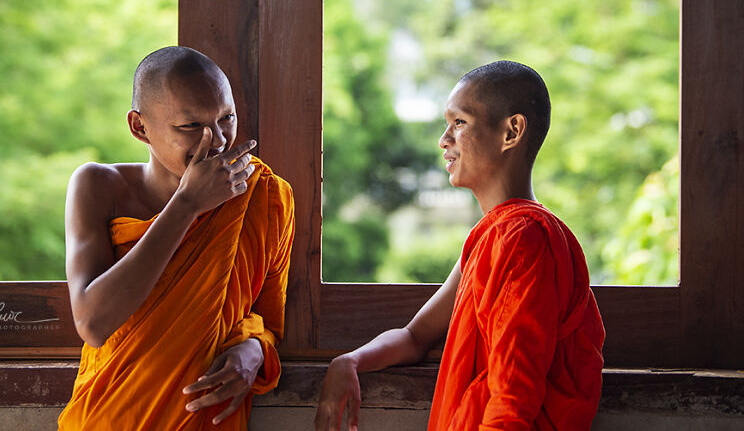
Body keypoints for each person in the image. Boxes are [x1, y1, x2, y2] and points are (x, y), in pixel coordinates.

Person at [315, 61, 604, 431]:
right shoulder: (490, 237)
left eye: (460, 123)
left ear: (511, 131)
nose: (443, 139)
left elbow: (513, 399)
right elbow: (415, 336)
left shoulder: (525, 238)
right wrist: (350, 361)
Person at [58, 46, 295, 431]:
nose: (216, 140)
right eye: (190, 127)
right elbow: (93, 322)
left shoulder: (265, 196)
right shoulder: (99, 186)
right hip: (112, 417)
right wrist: (186, 206)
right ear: (140, 127)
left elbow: (269, 320)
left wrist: (254, 349)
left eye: (226, 118)